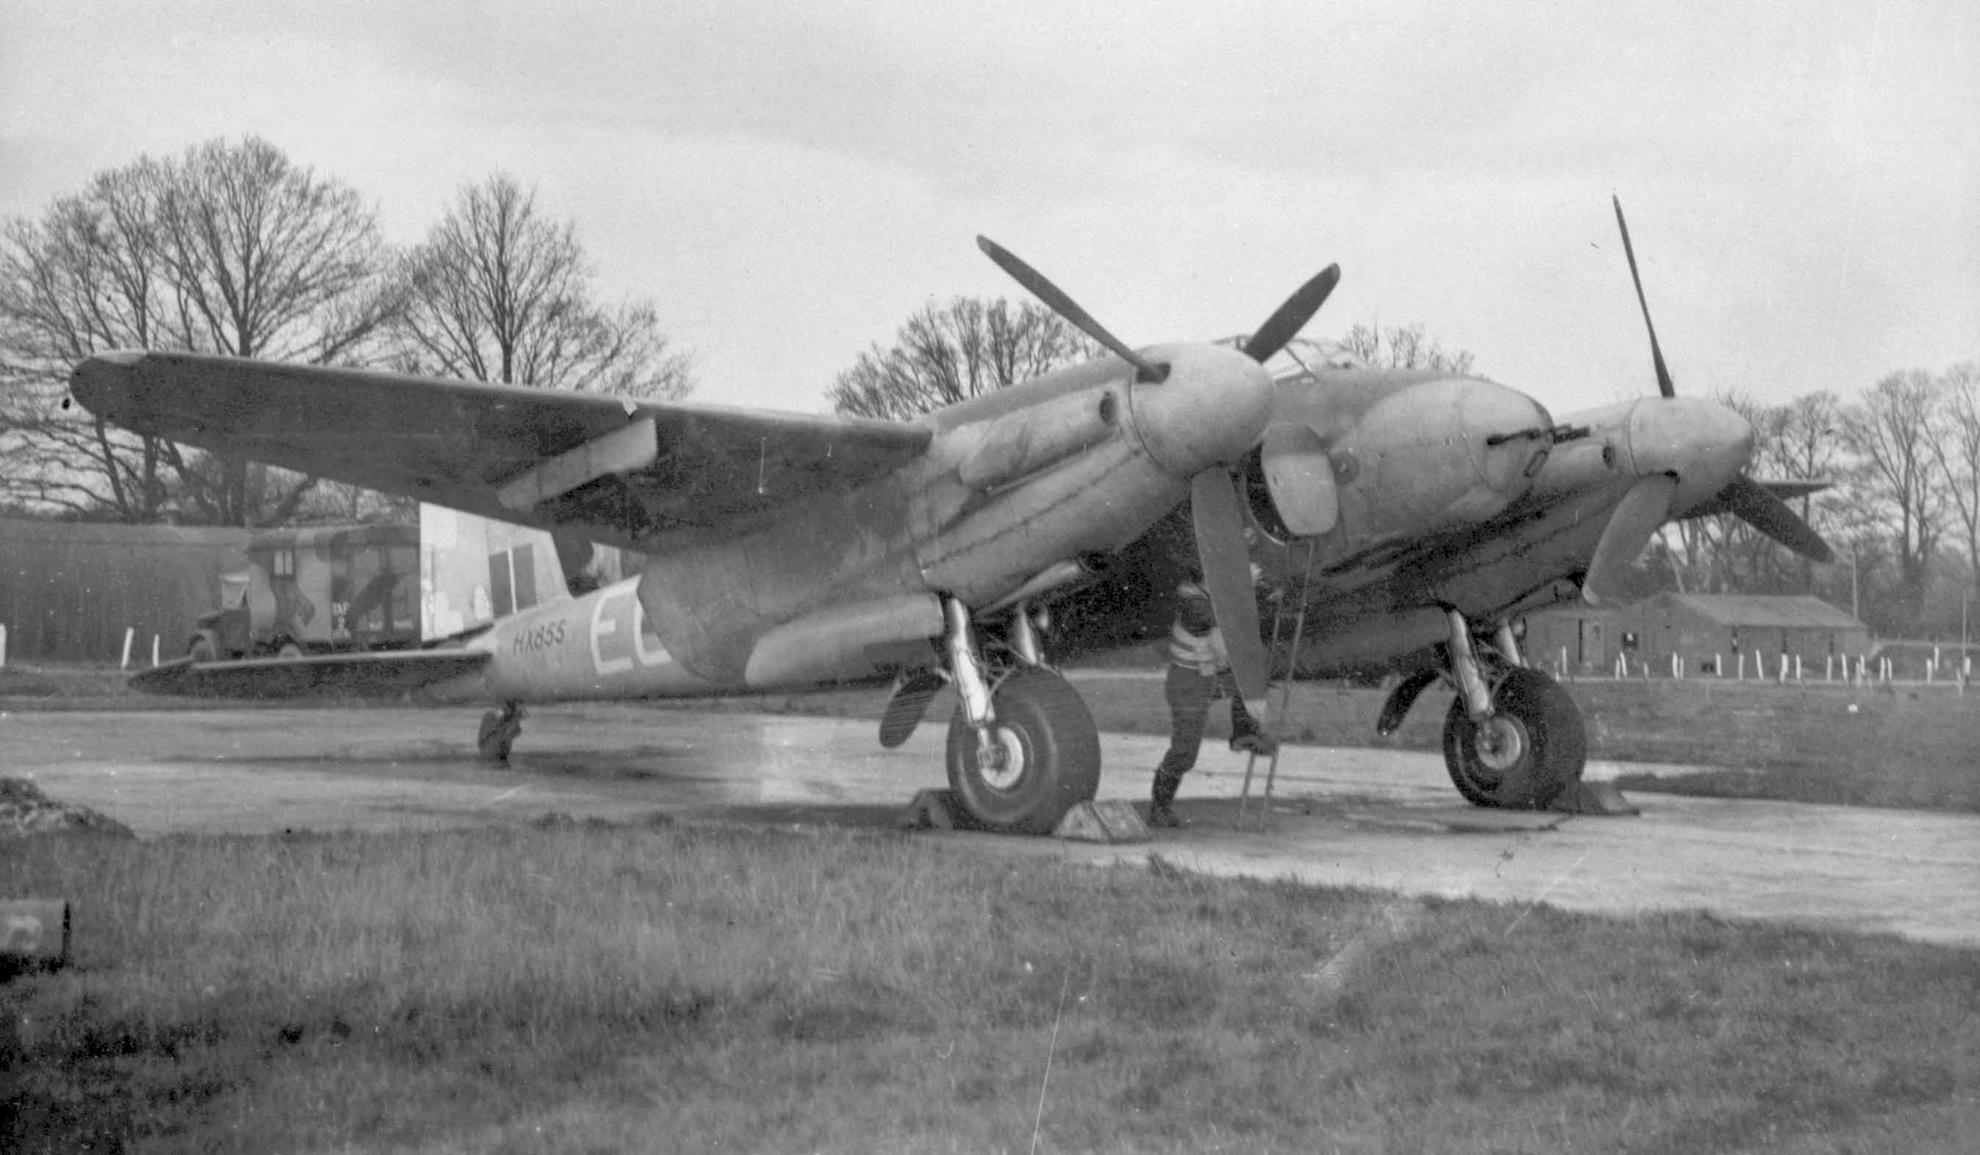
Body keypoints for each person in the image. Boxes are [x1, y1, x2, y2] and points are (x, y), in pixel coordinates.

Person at [1148, 568, 1275, 828]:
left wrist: (1267, 592)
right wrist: (1251, 589)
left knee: (1249, 678)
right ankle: (1159, 807)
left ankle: (1243, 732)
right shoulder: (1190, 598)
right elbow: (1217, 617)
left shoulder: (1208, 594)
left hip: (1207, 677)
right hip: (1188, 684)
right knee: (1185, 753)